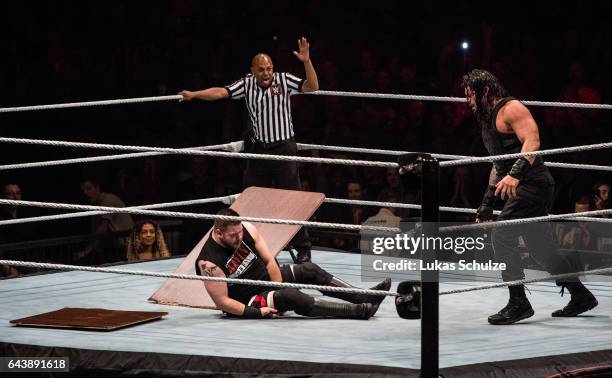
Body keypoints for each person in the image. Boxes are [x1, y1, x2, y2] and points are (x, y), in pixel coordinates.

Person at [462, 69, 598, 325]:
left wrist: (515, 174)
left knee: (502, 235)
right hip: (522, 186)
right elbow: (497, 165)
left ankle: (518, 302)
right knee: (541, 250)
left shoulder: (511, 108)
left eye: (471, 96)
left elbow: (533, 141)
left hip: (534, 184)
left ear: (486, 91)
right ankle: (581, 296)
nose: (468, 102)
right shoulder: (487, 119)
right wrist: (487, 203)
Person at [179, 37, 319, 264]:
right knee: (250, 197)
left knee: (294, 198)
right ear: (253, 70)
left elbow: (313, 87)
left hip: (284, 148)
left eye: (269, 69)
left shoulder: (284, 80)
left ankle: (303, 246)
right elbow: (220, 92)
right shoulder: (247, 84)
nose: (266, 73)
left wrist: (306, 61)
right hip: (258, 150)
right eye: (262, 69)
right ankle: (247, 244)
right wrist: (194, 95)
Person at [195, 208, 391, 319]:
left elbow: (269, 259)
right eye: (233, 235)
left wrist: (277, 287)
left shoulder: (244, 228)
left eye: (239, 232)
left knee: (310, 270)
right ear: (219, 233)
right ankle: (359, 311)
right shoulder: (209, 262)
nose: (239, 237)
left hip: (265, 278)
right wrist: (256, 312)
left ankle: (365, 296)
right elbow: (223, 302)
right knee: (292, 297)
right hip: (249, 299)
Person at [77, 178, 134, 263]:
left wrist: (86, 251)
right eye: (83, 190)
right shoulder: (96, 205)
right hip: (119, 245)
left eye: (88, 188)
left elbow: (103, 227)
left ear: (97, 188)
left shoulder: (107, 199)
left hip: (127, 244)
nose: (85, 192)